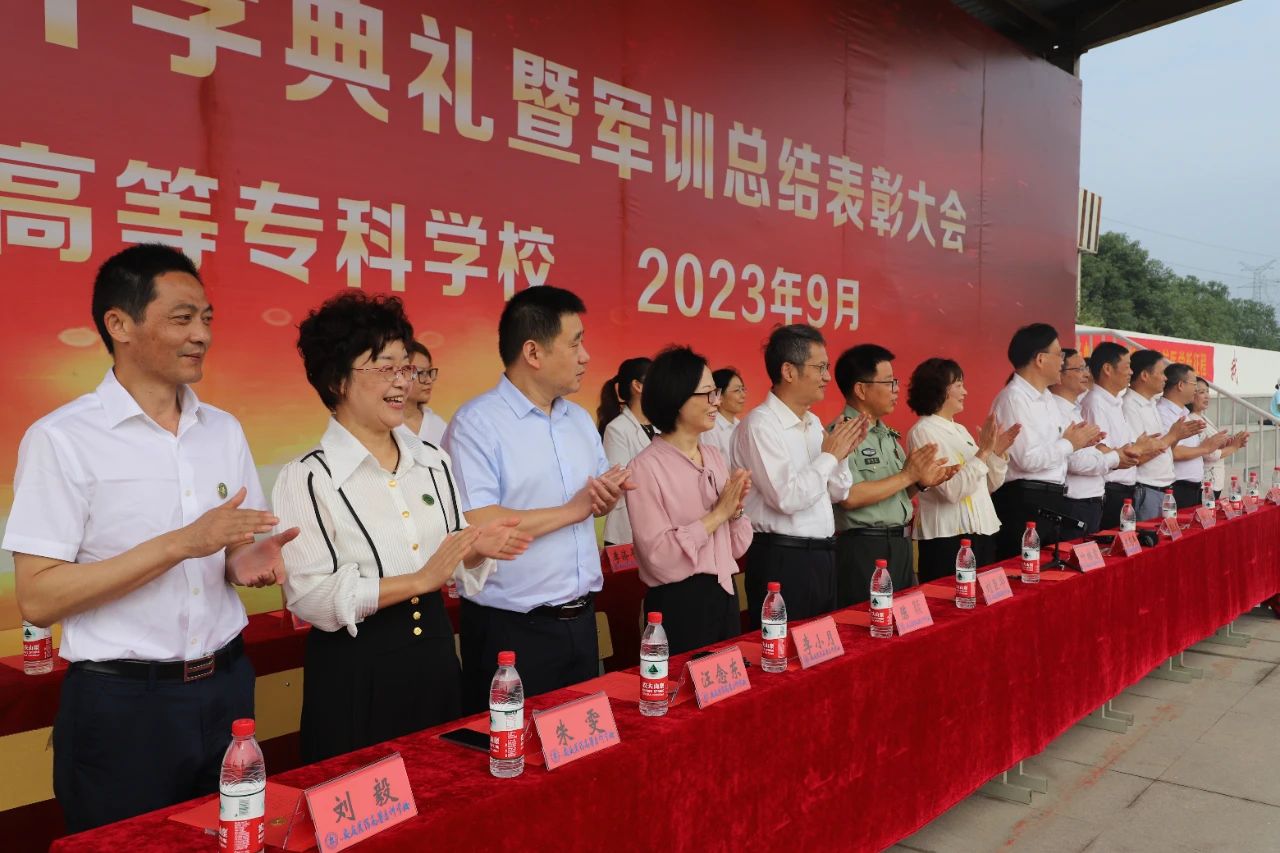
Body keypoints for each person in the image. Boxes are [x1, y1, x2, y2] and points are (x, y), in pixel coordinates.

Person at [3, 245, 299, 832]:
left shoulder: (223, 430)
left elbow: (228, 548)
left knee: (234, 839)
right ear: (119, 324)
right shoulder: (62, 439)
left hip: (226, 690)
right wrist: (180, 543)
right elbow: (37, 597)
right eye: (181, 318)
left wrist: (244, 562)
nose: (201, 335)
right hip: (123, 707)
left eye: (206, 318)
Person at [272, 293, 530, 763]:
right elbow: (311, 597)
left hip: (434, 657)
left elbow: (451, 561)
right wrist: (420, 580)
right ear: (337, 380)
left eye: (405, 366)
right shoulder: (308, 477)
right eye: (384, 366)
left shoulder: (433, 461)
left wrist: (476, 548)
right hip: (356, 671)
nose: (401, 381)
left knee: (443, 786)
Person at [444, 286, 633, 711]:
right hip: (511, 631)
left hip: (581, 620)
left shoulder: (578, 419)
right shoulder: (477, 424)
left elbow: (593, 500)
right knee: (512, 747)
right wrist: (573, 510)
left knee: (581, 742)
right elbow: (479, 522)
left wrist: (605, 498)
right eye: (575, 343)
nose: (586, 356)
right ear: (533, 352)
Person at [732, 325, 868, 627]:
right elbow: (787, 498)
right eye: (820, 367)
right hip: (783, 559)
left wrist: (842, 455)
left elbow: (838, 493)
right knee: (783, 651)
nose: (827, 377)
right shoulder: (760, 426)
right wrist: (830, 456)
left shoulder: (813, 422)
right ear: (789, 371)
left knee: (820, 647)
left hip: (822, 555)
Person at [627, 347, 753, 655]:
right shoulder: (644, 468)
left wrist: (735, 511)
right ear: (677, 398)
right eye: (708, 393)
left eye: (716, 393)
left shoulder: (712, 455)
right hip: (680, 603)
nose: (716, 402)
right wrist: (718, 515)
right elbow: (658, 557)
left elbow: (737, 547)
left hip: (724, 593)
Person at [831, 345, 954, 603]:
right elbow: (849, 497)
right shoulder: (842, 433)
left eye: (895, 382)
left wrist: (919, 483)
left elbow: (895, 492)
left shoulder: (887, 434)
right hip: (864, 548)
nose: (896, 389)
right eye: (888, 382)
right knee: (869, 623)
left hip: (900, 544)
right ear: (861, 389)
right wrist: (908, 476)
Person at [988, 324, 1101, 559]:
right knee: (1023, 570)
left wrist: (1080, 441)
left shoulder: (1047, 397)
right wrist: (1069, 444)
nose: (1062, 361)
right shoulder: (1014, 398)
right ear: (1040, 359)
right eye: (1059, 354)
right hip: (1024, 499)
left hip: (1052, 498)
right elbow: (1027, 459)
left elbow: (1055, 446)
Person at [906, 358, 1019, 582]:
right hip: (947, 537)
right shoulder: (923, 431)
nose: (965, 392)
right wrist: (983, 453)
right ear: (938, 389)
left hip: (981, 531)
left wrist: (995, 454)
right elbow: (951, 491)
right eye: (958, 385)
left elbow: (989, 484)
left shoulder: (960, 430)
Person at [1049, 349, 1138, 534]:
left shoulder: (1074, 409)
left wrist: (1093, 446)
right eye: (1079, 369)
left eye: (1085, 368)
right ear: (1059, 374)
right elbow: (1073, 460)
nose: (1086, 374)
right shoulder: (1057, 410)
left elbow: (1081, 451)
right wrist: (1114, 457)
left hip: (1092, 499)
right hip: (1074, 502)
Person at [1122, 350, 1203, 520]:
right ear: (1145, 375)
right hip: (1147, 488)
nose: (1165, 378)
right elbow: (1136, 456)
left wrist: (1176, 436)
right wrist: (1173, 436)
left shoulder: (1151, 403)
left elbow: (1165, 448)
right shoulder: (1130, 405)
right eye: (1161, 373)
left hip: (1164, 487)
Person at [598, 357, 655, 545]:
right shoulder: (617, 429)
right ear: (638, 386)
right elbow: (621, 479)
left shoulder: (661, 427)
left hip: (657, 526)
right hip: (627, 529)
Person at [1158, 364, 1230, 509]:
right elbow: (1173, 451)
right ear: (1180, 385)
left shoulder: (1183, 413)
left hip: (1193, 488)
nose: (1195, 390)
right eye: (1194, 385)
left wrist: (1213, 444)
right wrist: (1205, 448)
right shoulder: (1162, 412)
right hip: (1178, 487)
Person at [1191, 377, 1248, 498]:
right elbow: (1209, 453)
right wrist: (1233, 447)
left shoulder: (1203, 417)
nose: (1207, 396)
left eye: (1207, 391)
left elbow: (1212, 446)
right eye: (1201, 392)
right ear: (1190, 394)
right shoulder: (1192, 420)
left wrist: (1230, 442)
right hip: (1206, 484)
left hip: (1215, 482)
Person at [402, 340, 448, 445]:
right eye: (421, 373)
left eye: (429, 372)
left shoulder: (438, 425)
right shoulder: (382, 425)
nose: (429, 380)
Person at [702, 367, 747, 463]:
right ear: (719, 396)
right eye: (737, 390)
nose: (743, 395)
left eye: (743, 389)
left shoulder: (741, 425)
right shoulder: (710, 429)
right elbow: (710, 466)